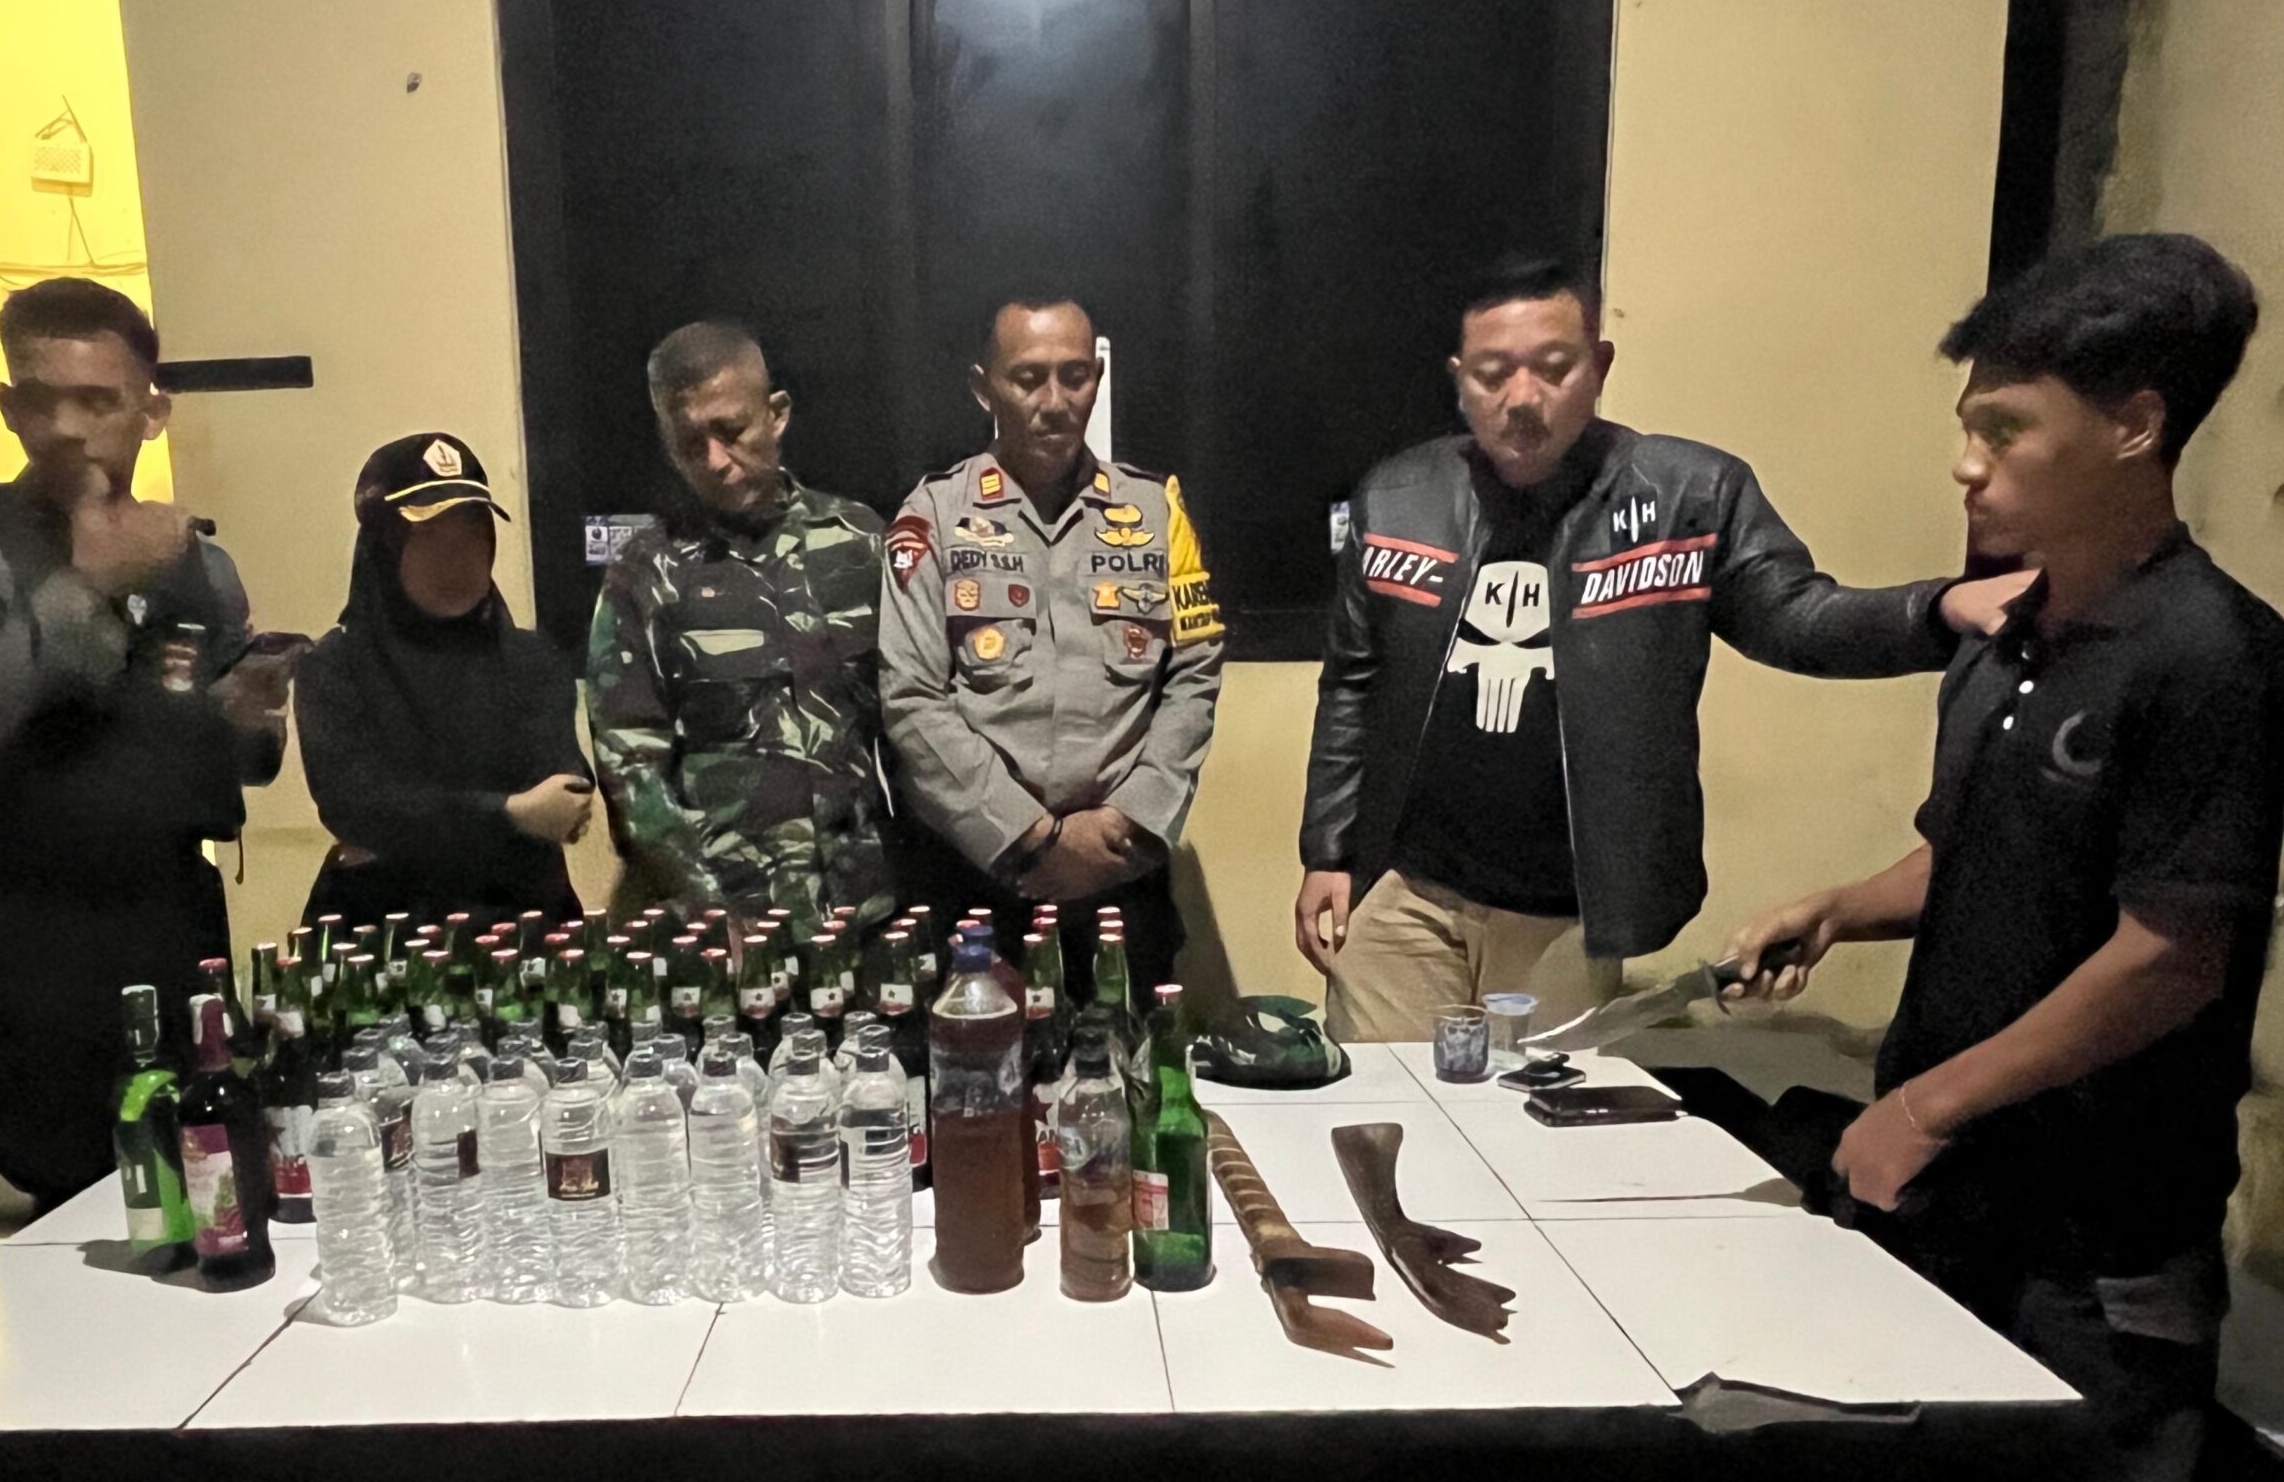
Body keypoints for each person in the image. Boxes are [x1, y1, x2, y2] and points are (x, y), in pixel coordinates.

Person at [1726, 234, 2276, 1482]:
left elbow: (2169, 954)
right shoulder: (2004, 630)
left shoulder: (2214, 659)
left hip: (2112, 1194)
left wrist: (1927, 1102)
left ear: (2136, 424)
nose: (1968, 463)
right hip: (1962, 1173)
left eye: (2006, 428)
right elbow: (1976, 851)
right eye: (1968, 425)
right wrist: (1842, 905)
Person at [1294, 256, 2033, 1040]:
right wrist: (1328, 852)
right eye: (1492, 374)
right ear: (1459, 378)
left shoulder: (1689, 495)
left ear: (1599, 366)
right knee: (1385, 1100)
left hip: (1570, 910)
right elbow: (1352, 684)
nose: (1522, 399)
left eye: (1554, 368)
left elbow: (1798, 618)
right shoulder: (1398, 497)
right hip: (1405, 892)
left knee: (1532, 1111)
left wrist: (1936, 609)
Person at [0, 279, 287, 1210]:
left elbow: (244, 759)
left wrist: (249, 714)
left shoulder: (197, 559)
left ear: (150, 412)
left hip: (169, 922)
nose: (66, 427)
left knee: (208, 1186)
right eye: (41, 398)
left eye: (98, 401)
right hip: (34, 937)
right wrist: (88, 583)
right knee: (64, 1203)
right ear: (7, 406)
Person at [880, 297, 1223, 996]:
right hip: (980, 880)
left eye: (1075, 376)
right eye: (1029, 378)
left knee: (1135, 1060)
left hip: (1120, 876)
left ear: (1098, 377)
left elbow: (1194, 674)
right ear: (984, 388)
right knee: (983, 1065)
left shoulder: (1154, 509)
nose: (1056, 401)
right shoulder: (934, 515)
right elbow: (911, 697)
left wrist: (1125, 823)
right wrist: (1031, 839)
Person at [587, 320, 894, 928]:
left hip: (869, 912)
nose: (715, 461)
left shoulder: (860, 543)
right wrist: (706, 907)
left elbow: (914, 724)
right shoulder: (646, 574)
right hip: (730, 926)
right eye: (689, 443)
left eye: (731, 432)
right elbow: (631, 768)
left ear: (776, 415)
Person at [297, 432, 589, 929]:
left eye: (471, 532)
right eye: (430, 534)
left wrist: (424, 824)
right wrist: (511, 814)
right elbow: (358, 807)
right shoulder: (335, 665)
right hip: (382, 936)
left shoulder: (530, 659)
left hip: (528, 928)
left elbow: (564, 797)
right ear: (384, 543)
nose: (456, 554)